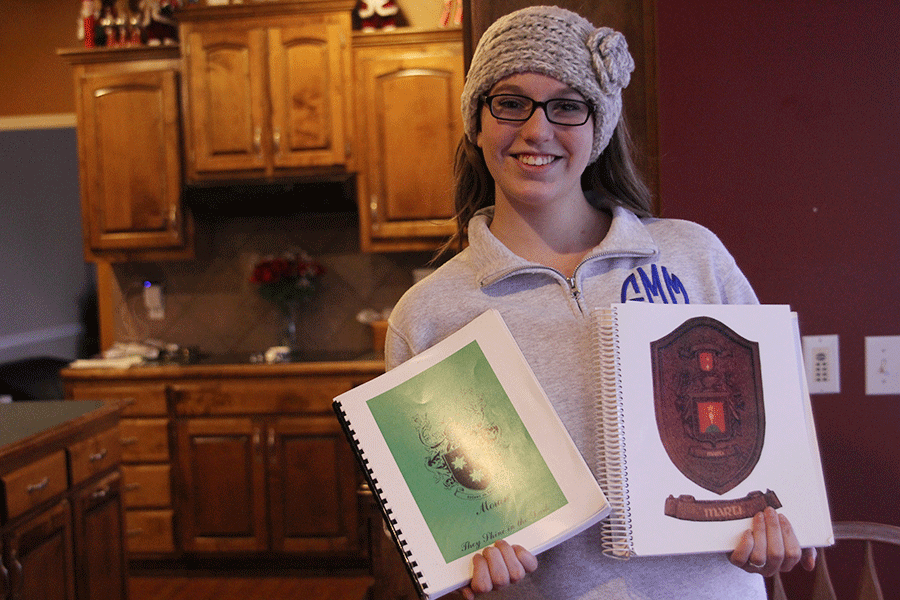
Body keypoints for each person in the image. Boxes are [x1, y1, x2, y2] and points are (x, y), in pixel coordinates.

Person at [384, 6, 816, 599]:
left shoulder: (693, 256)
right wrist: (462, 566)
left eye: (567, 106)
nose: (537, 131)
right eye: (510, 102)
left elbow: (774, 444)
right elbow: (432, 515)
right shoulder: (429, 312)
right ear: (477, 122)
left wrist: (781, 530)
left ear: (599, 127)